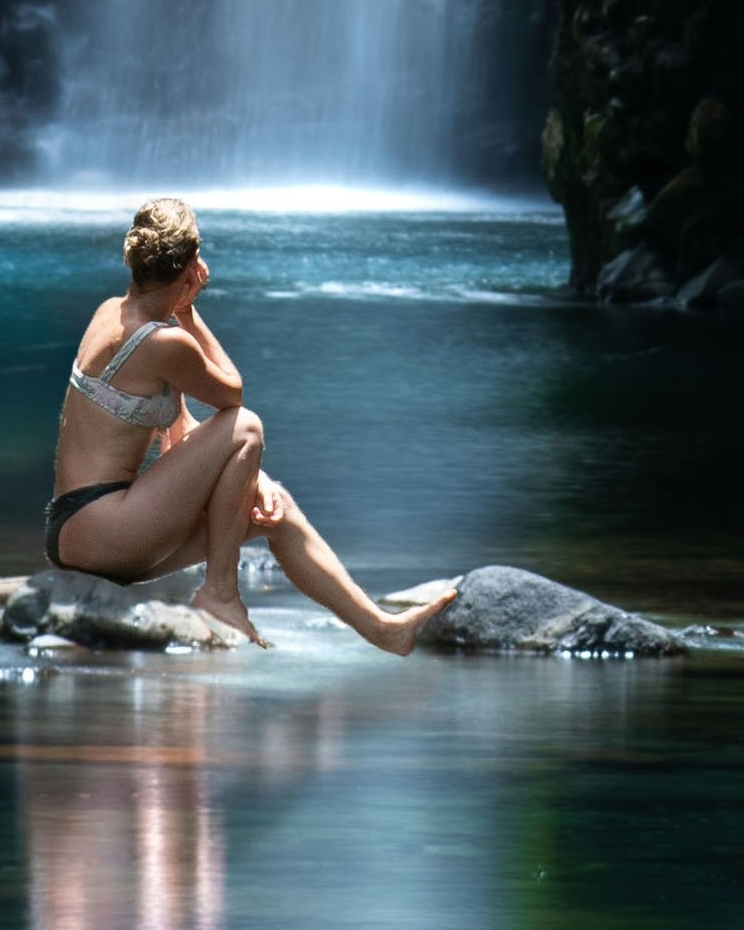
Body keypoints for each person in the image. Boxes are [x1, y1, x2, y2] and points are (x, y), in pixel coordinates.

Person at [41, 199, 456, 648]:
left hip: (85, 532)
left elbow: (179, 434)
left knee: (275, 508)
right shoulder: (166, 343)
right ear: (190, 266)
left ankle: (381, 628)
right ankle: (220, 593)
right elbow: (232, 396)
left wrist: (250, 483)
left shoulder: (112, 314)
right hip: (102, 528)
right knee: (247, 426)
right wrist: (189, 311)